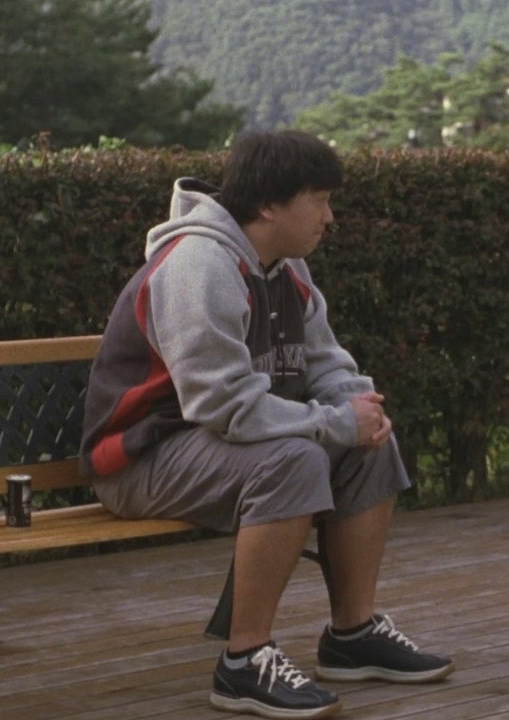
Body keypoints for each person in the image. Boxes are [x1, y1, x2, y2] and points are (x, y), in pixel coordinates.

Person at [80, 130, 453, 719]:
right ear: (269, 204)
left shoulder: (286, 268)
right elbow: (224, 404)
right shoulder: (199, 265)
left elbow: (325, 361)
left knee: (371, 446)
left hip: (219, 444)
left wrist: (359, 407)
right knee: (294, 460)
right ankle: (243, 662)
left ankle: (352, 636)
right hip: (141, 457)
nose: (330, 217)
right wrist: (335, 424)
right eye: (319, 200)